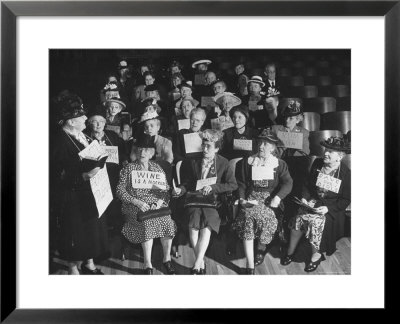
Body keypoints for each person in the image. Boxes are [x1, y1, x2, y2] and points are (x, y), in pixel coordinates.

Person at [51, 93, 109, 275]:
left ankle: (89, 264)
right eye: (81, 116)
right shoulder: (59, 142)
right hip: (72, 197)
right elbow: (56, 175)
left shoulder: (80, 134)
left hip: (88, 194)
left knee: (90, 230)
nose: (86, 118)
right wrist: (84, 175)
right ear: (70, 121)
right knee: (75, 233)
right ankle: (73, 268)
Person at [172, 129, 238, 274]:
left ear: (217, 148)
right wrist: (180, 190)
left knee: (208, 223)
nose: (205, 149)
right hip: (194, 199)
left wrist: (214, 187)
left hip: (213, 201)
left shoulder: (223, 163)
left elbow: (232, 185)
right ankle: (200, 262)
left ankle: (197, 264)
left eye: (209, 146)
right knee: (193, 223)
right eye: (204, 145)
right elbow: (188, 183)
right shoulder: (194, 161)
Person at [281, 136, 351, 272]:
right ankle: (291, 250)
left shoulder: (346, 173)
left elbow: (346, 199)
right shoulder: (318, 163)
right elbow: (307, 185)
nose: (325, 153)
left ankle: (316, 255)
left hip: (331, 208)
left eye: (331, 151)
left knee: (315, 223)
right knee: (297, 220)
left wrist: (328, 208)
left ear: (340, 156)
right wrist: (305, 198)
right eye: (326, 149)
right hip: (314, 201)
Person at [232, 129, 293, 274]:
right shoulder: (248, 162)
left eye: (265, 144)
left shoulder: (279, 164)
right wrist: (241, 198)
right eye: (260, 143)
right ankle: (250, 263)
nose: (261, 147)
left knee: (267, 218)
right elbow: (241, 184)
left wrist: (278, 198)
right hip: (251, 198)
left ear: (272, 147)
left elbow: (288, 183)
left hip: (270, 200)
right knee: (248, 217)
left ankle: (261, 248)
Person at [116, 133, 177, 275]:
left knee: (167, 222)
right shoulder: (129, 168)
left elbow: (165, 189)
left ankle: (167, 259)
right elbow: (119, 190)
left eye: (146, 150)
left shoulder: (156, 168)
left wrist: (159, 202)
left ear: (151, 153)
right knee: (147, 222)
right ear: (136, 151)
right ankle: (147, 264)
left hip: (156, 205)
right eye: (140, 150)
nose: (142, 153)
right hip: (133, 205)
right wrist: (136, 201)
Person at [84, 107, 128, 232]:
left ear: (105, 123)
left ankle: (114, 227)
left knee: (114, 202)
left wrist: (124, 161)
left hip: (113, 174)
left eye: (101, 121)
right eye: (94, 121)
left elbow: (123, 153)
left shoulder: (112, 136)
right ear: (89, 123)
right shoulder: (84, 137)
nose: (98, 124)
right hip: (95, 176)